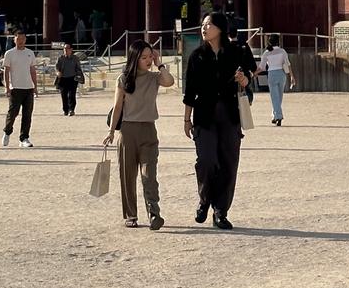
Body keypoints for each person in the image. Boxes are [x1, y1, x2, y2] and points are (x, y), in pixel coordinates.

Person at [182, 11, 252, 229]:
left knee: (229, 163)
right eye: (202, 25)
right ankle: (204, 201)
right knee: (206, 160)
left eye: (208, 25)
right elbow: (189, 91)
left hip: (230, 115)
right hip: (204, 115)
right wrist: (186, 120)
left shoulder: (236, 52)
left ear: (220, 28)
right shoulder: (196, 56)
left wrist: (243, 79)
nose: (204, 28)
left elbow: (247, 80)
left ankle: (221, 211)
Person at [103, 40, 174, 230]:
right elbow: (118, 107)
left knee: (149, 175)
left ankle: (154, 214)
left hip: (149, 130)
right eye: (144, 57)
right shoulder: (123, 79)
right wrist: (111, 132)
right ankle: (131, 215)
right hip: (127, 131)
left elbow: (169, 81)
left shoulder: (154, 77)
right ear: (134, 58)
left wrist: (160, 63)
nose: (148, 60)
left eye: (150, 56)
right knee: (128, 175)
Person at [1, 31, 38, 148]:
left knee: (27, 114)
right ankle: (7, 132)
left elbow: (32, 70)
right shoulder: (9, 53)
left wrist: (35, 86)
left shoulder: (30, 53)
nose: (21, 41)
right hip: (15, 88)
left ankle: (24, 138)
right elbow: (6, 71)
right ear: (14, 40)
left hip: (28, 88)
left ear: (25, 40)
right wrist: (7, 87)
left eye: (23, 38)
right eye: (18, 38)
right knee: (13, 112)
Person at [258, 34, 296, 126]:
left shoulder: (266, 52)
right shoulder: (282, 51)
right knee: (279, 97)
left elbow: (262, 67)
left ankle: (278, 116)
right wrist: (292, 76)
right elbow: (288, 64)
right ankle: (275, 116)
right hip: (281, 74)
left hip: (272, 74)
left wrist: (254, 74)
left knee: (274, 97)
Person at [55, 43, 85, 116]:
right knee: (64, 95)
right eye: (64, 48)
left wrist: (79, 75)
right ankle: (66, 110)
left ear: (71, 49)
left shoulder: (75, 58)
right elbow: (56, 68)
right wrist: (58, 72)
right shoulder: (60, 58)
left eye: (67, 48)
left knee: (72, 95)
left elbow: (78, 68)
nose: (65, 50)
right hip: (63, 79)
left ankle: (72, 109)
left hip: (72, 79)